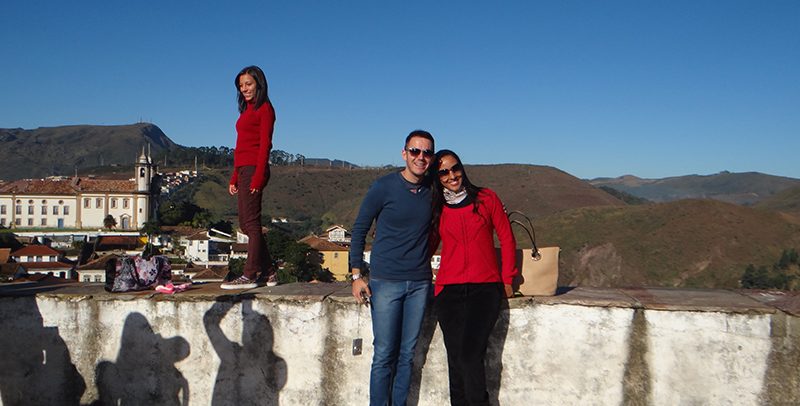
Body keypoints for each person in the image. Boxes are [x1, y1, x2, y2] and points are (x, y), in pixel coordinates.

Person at [349, 130, 436, 406]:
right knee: (384, 354)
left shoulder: (433, 190)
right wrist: (356, 275)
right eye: (415, 151)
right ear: (404, 153)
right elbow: (359, 229)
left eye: (427, 152)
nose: (420, 157)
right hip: (386, 281)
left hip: (420, 283)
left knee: (407, 355)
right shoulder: (384, 187)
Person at [429, 149, 518, 405]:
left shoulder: (486, 198)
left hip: (485, 289)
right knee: (456, 362)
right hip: (448, 292)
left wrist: (508, 278)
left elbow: (507, 238)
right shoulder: (437, 208)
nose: (451, 175)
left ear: (462, 168)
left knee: (470, 356)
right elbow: (428, 246)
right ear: (437, 177)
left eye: (455, 168)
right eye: (443, 172)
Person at [222, 65, 278, 289]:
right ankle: (270, 272)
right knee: (246, 224)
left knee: (251, 224)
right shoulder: (246, 109)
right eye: (241, 85)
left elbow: (265, 145)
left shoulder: (265, 109)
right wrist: (234, 176)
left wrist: (258, 176)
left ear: (259, 84)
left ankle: (250, 274)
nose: (244, 88)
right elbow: (241, 147)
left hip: (255, 168)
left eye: (248, 84)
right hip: (244, 169)